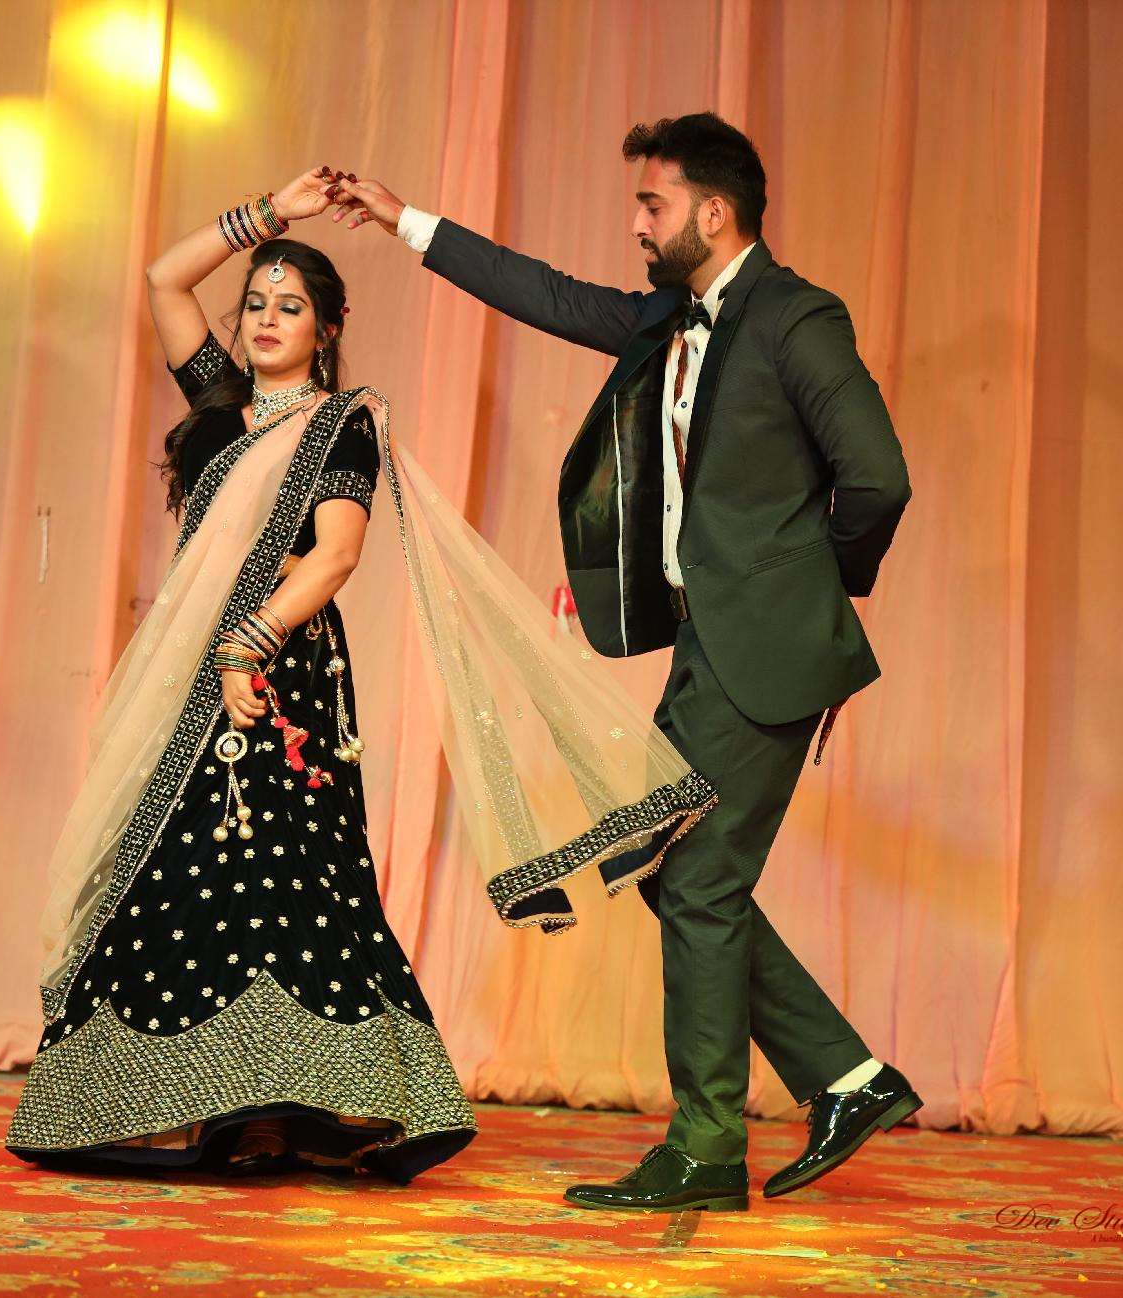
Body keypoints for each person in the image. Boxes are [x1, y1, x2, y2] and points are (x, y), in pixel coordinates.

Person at [5, 168, 717, 1183]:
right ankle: (167, 1099)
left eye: (290, 306)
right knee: (178, 871)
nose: (264, 319)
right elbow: (164, 278)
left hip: (284, 670)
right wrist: (271, 214)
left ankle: (292, 1108)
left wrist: (249, 643)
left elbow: (335, 555)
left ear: (327, 329)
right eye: (255, 302)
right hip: (192, 672)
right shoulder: (219, 406)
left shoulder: (340, 423)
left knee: (284, 875)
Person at [329, 113, 921, 1212]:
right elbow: (546, 295)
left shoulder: (796, 317)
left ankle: (710, 1144)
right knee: (676, 873)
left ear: (713, 210)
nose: (637, 224)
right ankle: (844, 1078)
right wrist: (406, 221)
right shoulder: (665, 317)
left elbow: (877, 478)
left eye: (653, 204)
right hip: (706, 647)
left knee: (695, 880)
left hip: (765, 647)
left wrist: (805, 596)